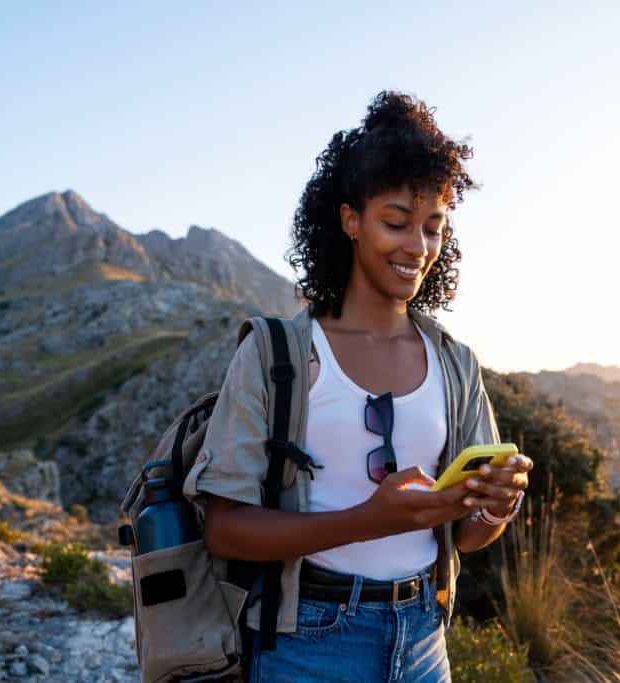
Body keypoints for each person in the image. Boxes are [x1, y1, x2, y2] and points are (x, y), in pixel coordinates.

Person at [191, 90, 533, 682]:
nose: (418, 248)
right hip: (306, 643)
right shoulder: (279, 353)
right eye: (396, 223)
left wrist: (496, 504)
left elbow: (469, 538)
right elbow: (225, 530)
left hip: (425, 638)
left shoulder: (456, 363)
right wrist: (373, 519)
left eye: (433, 227)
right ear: (350, 220)